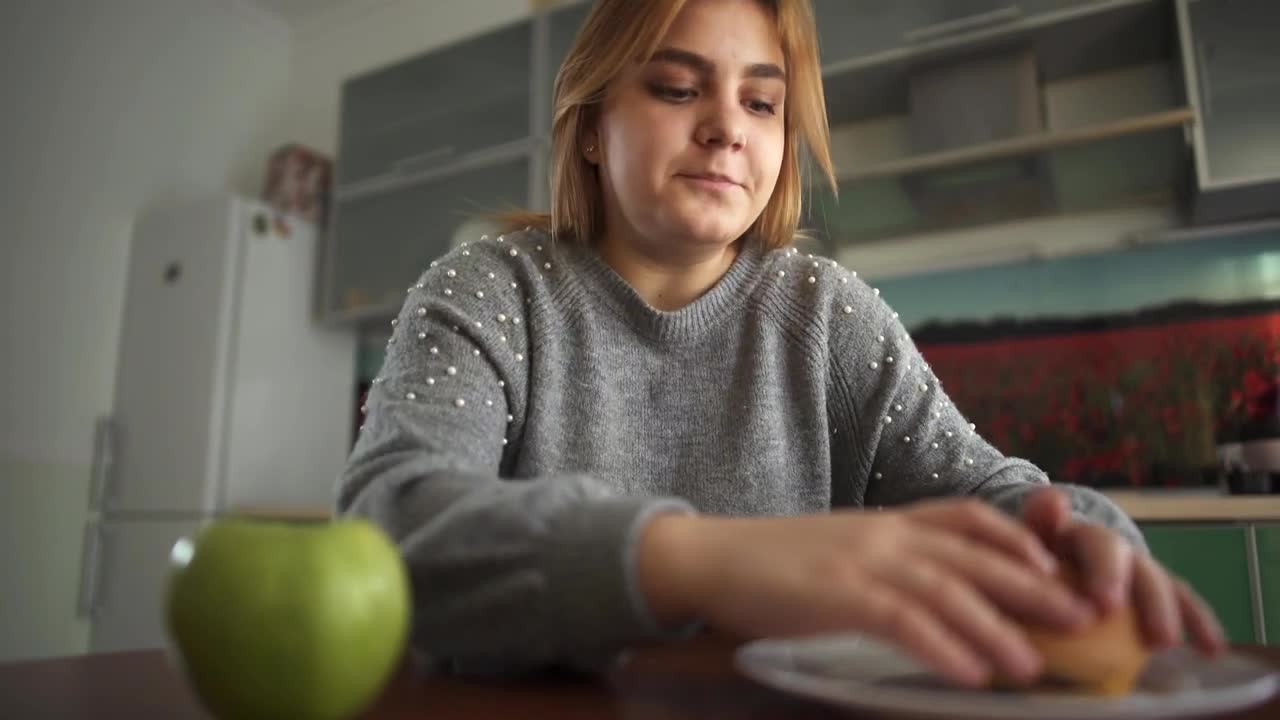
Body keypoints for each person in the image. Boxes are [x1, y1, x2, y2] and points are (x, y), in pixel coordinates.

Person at [337, 0, 1226, 688]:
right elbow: (392, 529)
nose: (727, 125)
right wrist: (712, 565)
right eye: (677, 88)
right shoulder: (490, 291)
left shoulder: (827, 314)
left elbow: (993, 495)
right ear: (593, 124)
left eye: (761, 101)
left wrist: (1084, 542)